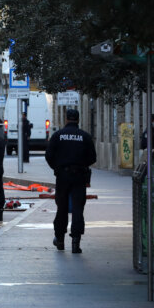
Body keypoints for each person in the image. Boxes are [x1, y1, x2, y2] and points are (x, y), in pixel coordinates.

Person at [45, 108, 97, 253]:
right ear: (78, 120)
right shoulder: (85, 136)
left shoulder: (58, 135)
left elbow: (49, 155)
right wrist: (82, 165)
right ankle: (75, 242)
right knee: (78, 208)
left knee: (61, 208)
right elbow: (93, 157)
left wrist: (57, 167)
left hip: (62, 176)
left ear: (66, 119)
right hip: (79, 176)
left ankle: (60, 240)